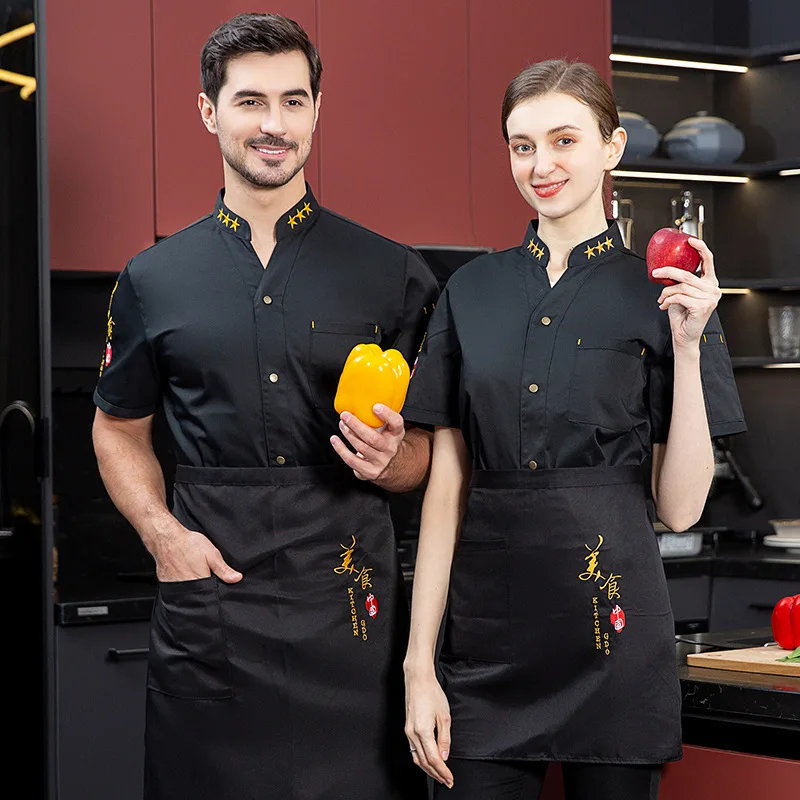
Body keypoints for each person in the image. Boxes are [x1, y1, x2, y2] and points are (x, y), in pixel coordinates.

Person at [91, 13, 437, 800]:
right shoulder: (152, 278)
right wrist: (162, 536)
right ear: (210, 112)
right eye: (250, 102)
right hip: (212, 602)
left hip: (353, 614)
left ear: (318, 108)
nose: (273, 124)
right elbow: (116, 428)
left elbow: (433, 451)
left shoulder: (394, 273)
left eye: (292, 100)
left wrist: (397, 462)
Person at [401, 59, 746, 799]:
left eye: (563, 140)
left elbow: (681, 507)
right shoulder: (470, 291)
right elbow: (446, 488)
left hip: (614, 642)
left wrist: (687, 346)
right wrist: (418, 664)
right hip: (485, 645)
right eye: (522, 146)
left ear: (611, 147)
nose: (541, 165)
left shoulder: (670, 295)